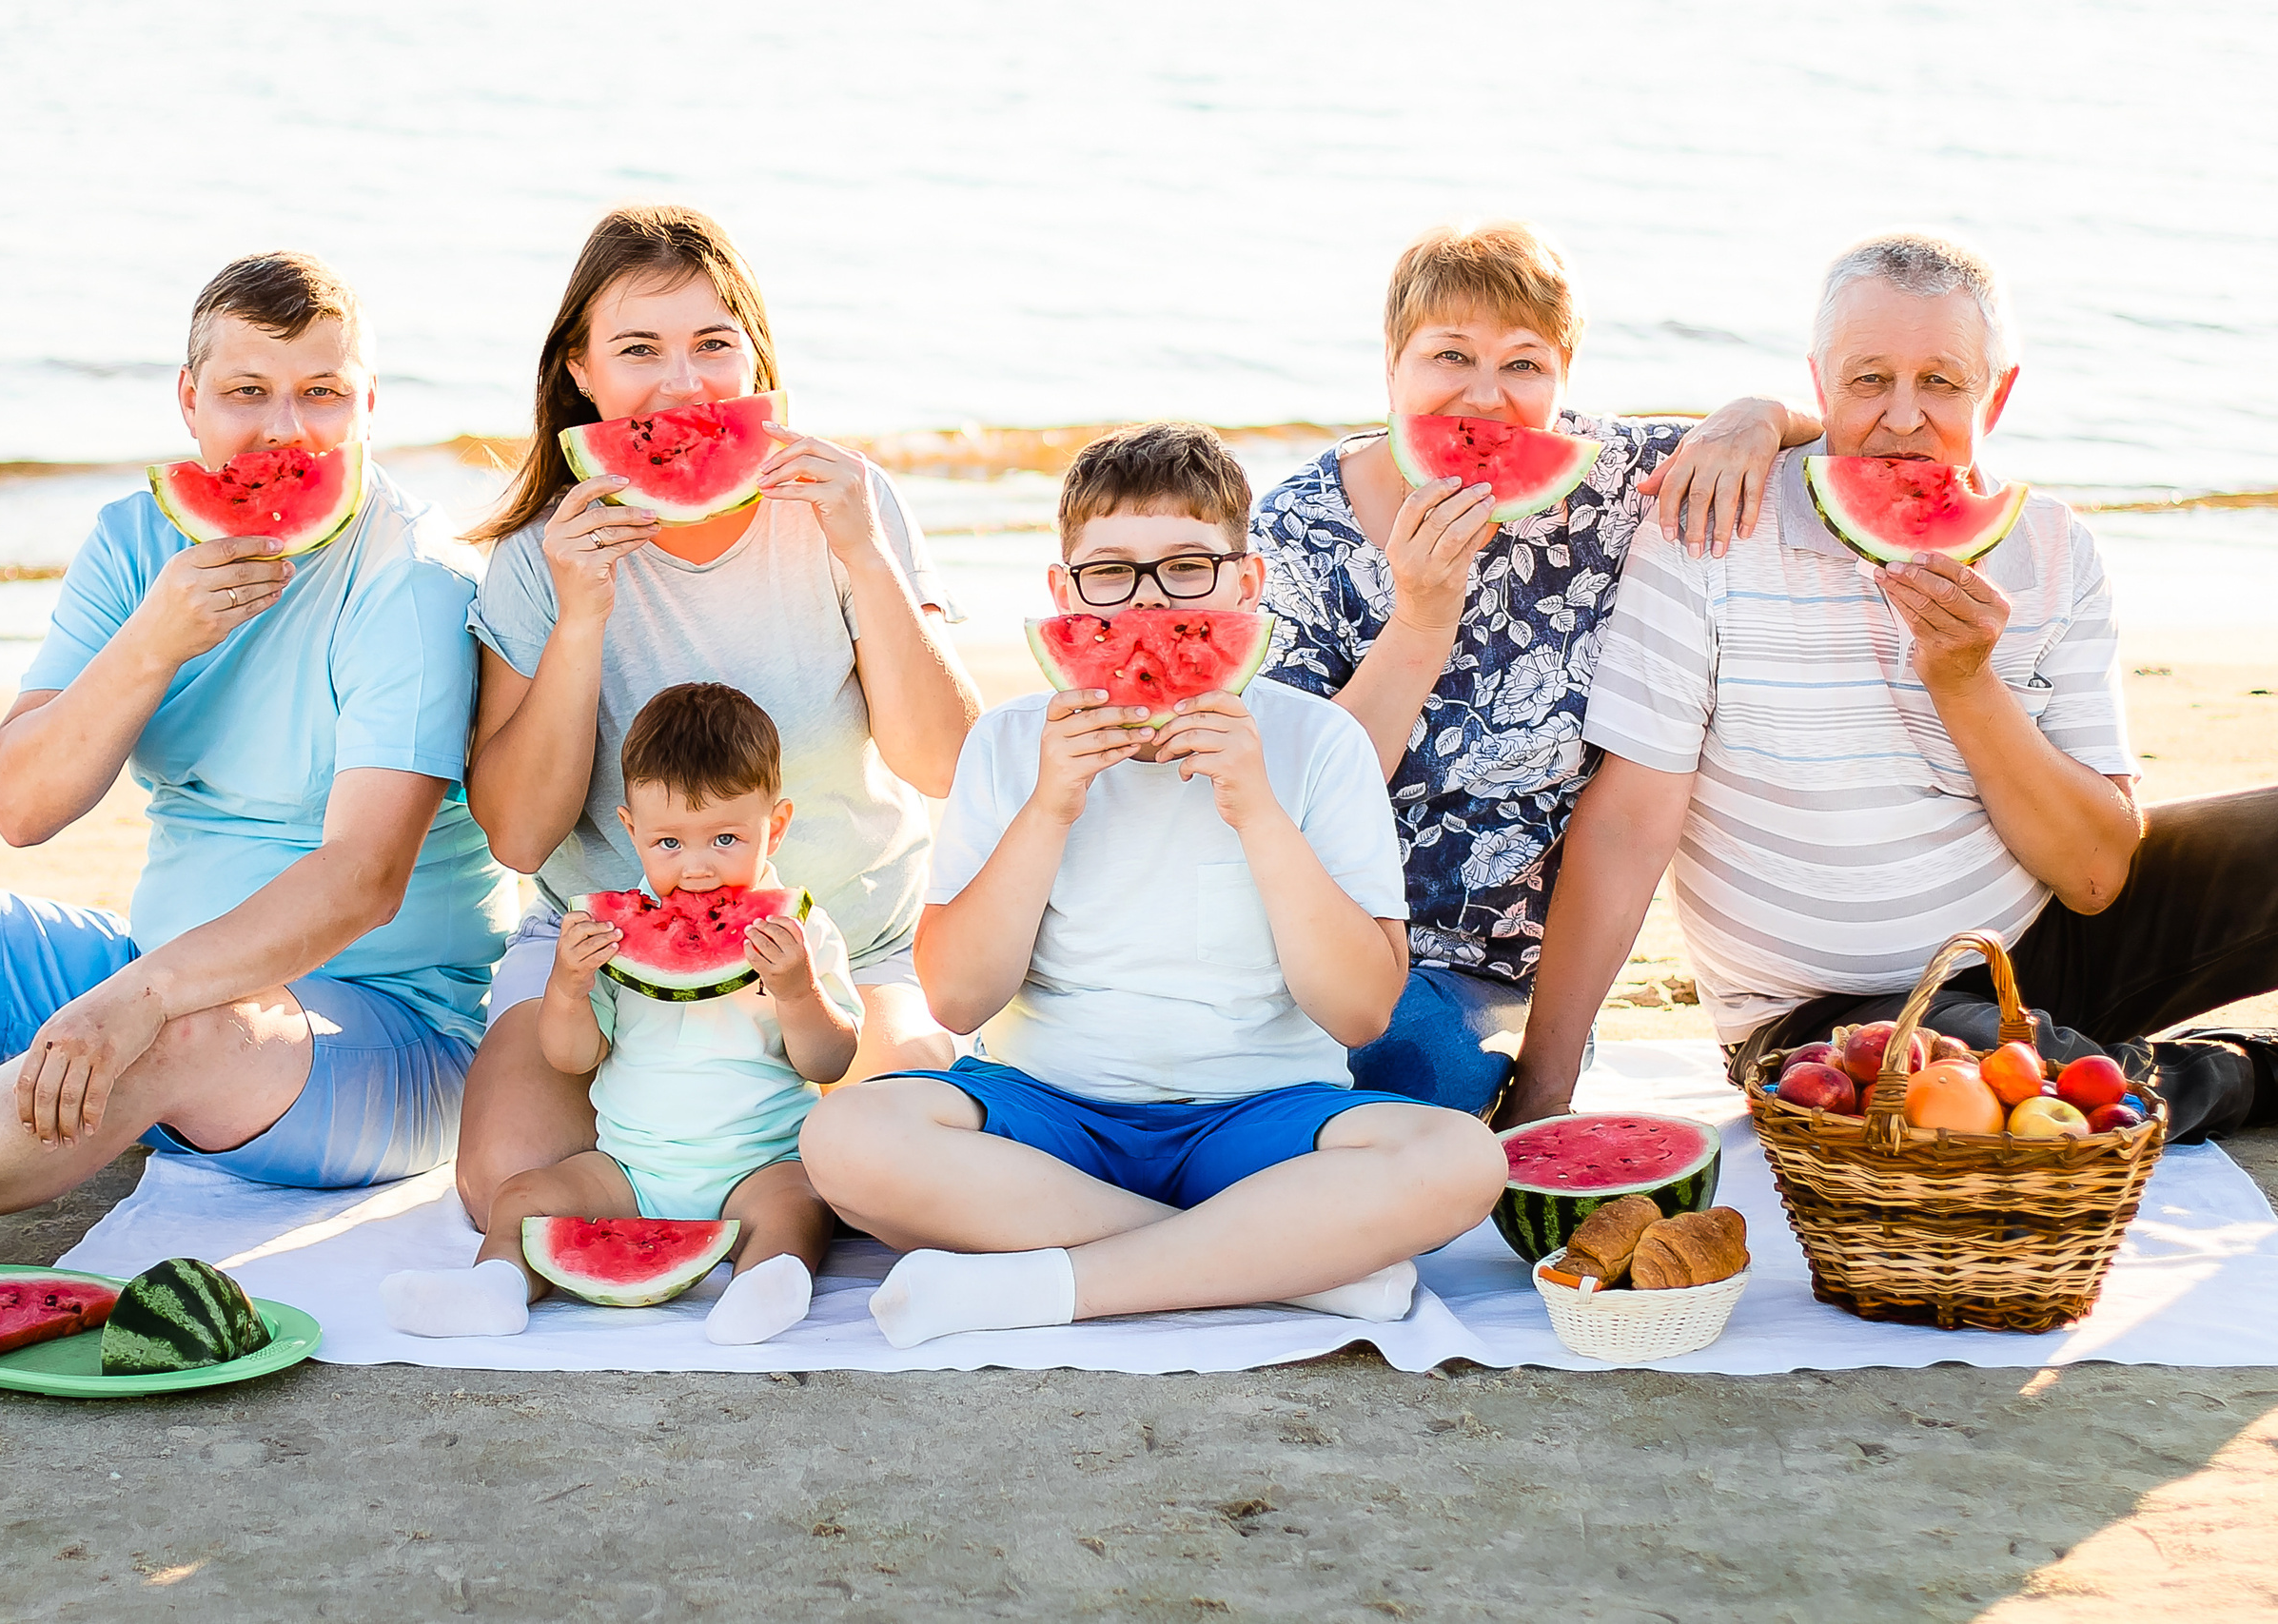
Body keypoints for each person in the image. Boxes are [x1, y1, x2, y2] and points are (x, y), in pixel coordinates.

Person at [1509, 231, 2277, 1141]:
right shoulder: (1710, 532)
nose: (1903, 419)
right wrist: (1542, 1085)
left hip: (2037, 942)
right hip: (1822, 1016)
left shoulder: (2055, 548)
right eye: (1869, 380)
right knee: (2012, 1109)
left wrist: (1965, 684)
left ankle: (2074, 1055)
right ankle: (2241, 1074)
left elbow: (2097, 874)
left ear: (2000, 390)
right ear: (1820, 384)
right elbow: (1630, 825)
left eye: (1943, 382)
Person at [799, 423, 1506, 1349]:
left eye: (1186, 568)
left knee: (1458, 1159)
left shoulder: (1314, 742)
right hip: (1050, 1116)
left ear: (1246, 585)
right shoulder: (1011, 744)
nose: (1144, 606)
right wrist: (1048, 808)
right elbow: (960, 994)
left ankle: (1054, 1284)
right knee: (846, 1138)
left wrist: (1256, 808)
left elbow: (1360, 1015)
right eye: (1110, 573)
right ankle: (1279, 1268)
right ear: (1062, 592)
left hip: (1265, 1117)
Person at [0, 252, 509, 1225]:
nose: (285, 429)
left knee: (188, 1032)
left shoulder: (413, 579)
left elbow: (364, 876)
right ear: (189, 403)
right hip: (150, 976)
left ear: (369, 407)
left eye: (320, 393)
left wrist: (144, 1000)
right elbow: (24, 808)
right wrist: (155, 640)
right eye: (248, 392)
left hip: (373, 1040)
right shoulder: (132, 543)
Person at [456, 205, 977, 1230]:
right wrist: (581, 616)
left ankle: (758, 1173)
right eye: (639, 350)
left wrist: (865, 556)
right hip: (600, 956)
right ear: (580, 371)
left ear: (756, 360)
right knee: (502, 1193)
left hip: (844, 943)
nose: (683, 385)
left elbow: (944, 761)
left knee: (904, 1181)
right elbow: (518, 835)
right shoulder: (539, 556)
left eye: (712, 345)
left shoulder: (846, 506)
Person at [1252, 220, 1824, 1117]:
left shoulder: (1613, 482)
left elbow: (1834, 449)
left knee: (1415, 1065)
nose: (1485, 399)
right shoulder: (1295, 529)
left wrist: (1759, 415)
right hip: (1304, 933)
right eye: (1450, 356)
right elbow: (1292, 789)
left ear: (1564, 381)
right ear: (1391, 367)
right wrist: (1419, 618)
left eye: (1525, 365)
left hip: (1489, 971)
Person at [383, 684, 859, 1345]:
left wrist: (799, 990)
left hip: (759, 1165)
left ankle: (763, 1288)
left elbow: (831, 1059)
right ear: (630, 829)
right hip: (631, 1168)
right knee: (520, 1196)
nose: (696, 869)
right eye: (668, 842)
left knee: (801, 1205)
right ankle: (493, 1287)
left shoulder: (799, 932)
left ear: (774, 825)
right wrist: (569, 988)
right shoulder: (610, 934)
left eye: (725, 837)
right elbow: (573, 1056)